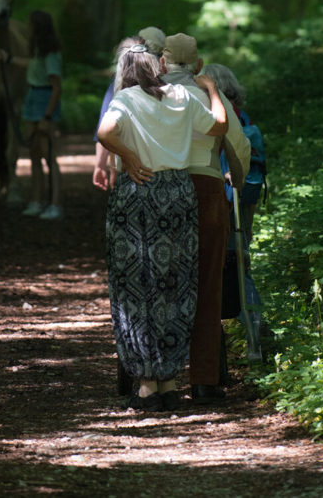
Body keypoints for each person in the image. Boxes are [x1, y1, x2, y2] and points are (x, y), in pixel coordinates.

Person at [97, 38, 228, 412]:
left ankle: (146, 386)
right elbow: (219, 126)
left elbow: (105, 133)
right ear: (159, 66)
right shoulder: (182, 97)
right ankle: (170, 381)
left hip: (137, 193)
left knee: (136, 285)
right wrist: (212, 88)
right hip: (177, 193)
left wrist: (129, 155)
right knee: (176, 283)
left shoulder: (126, 99)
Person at [160, 34, 251, 405]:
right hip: (208, 189)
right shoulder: (210, 97)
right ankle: (204, 380)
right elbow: (239, 148)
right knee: (208, 283)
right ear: (198, 66)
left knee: (163, 282)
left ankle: (159, 375)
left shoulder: (148, 97)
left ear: (162, 64)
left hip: (162, 192)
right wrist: (238, 185)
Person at [202, 63, 266, 354]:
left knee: (229, 264)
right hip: (245, 200)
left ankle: (250, 326)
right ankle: (253, 323)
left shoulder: (216, 115)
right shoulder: (244, 116)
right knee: (241, 261)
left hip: (224, 199)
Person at [0, 10, 63, 220]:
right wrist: (9, 59)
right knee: (34, 154)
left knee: (48, 156)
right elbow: (31, 64)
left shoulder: (51, 53)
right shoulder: (38, 52)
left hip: (44, 101)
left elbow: (56, 87)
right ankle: (36, 201)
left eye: (31, 25)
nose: (27, 28)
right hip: (33, 98)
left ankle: (55, 204)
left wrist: (47, 116)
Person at [92, 27, 166, 192]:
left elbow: (104, 130)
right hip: (167, 174)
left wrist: (102, 165)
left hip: (128, 170)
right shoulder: (171, 89)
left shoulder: (119, 88)